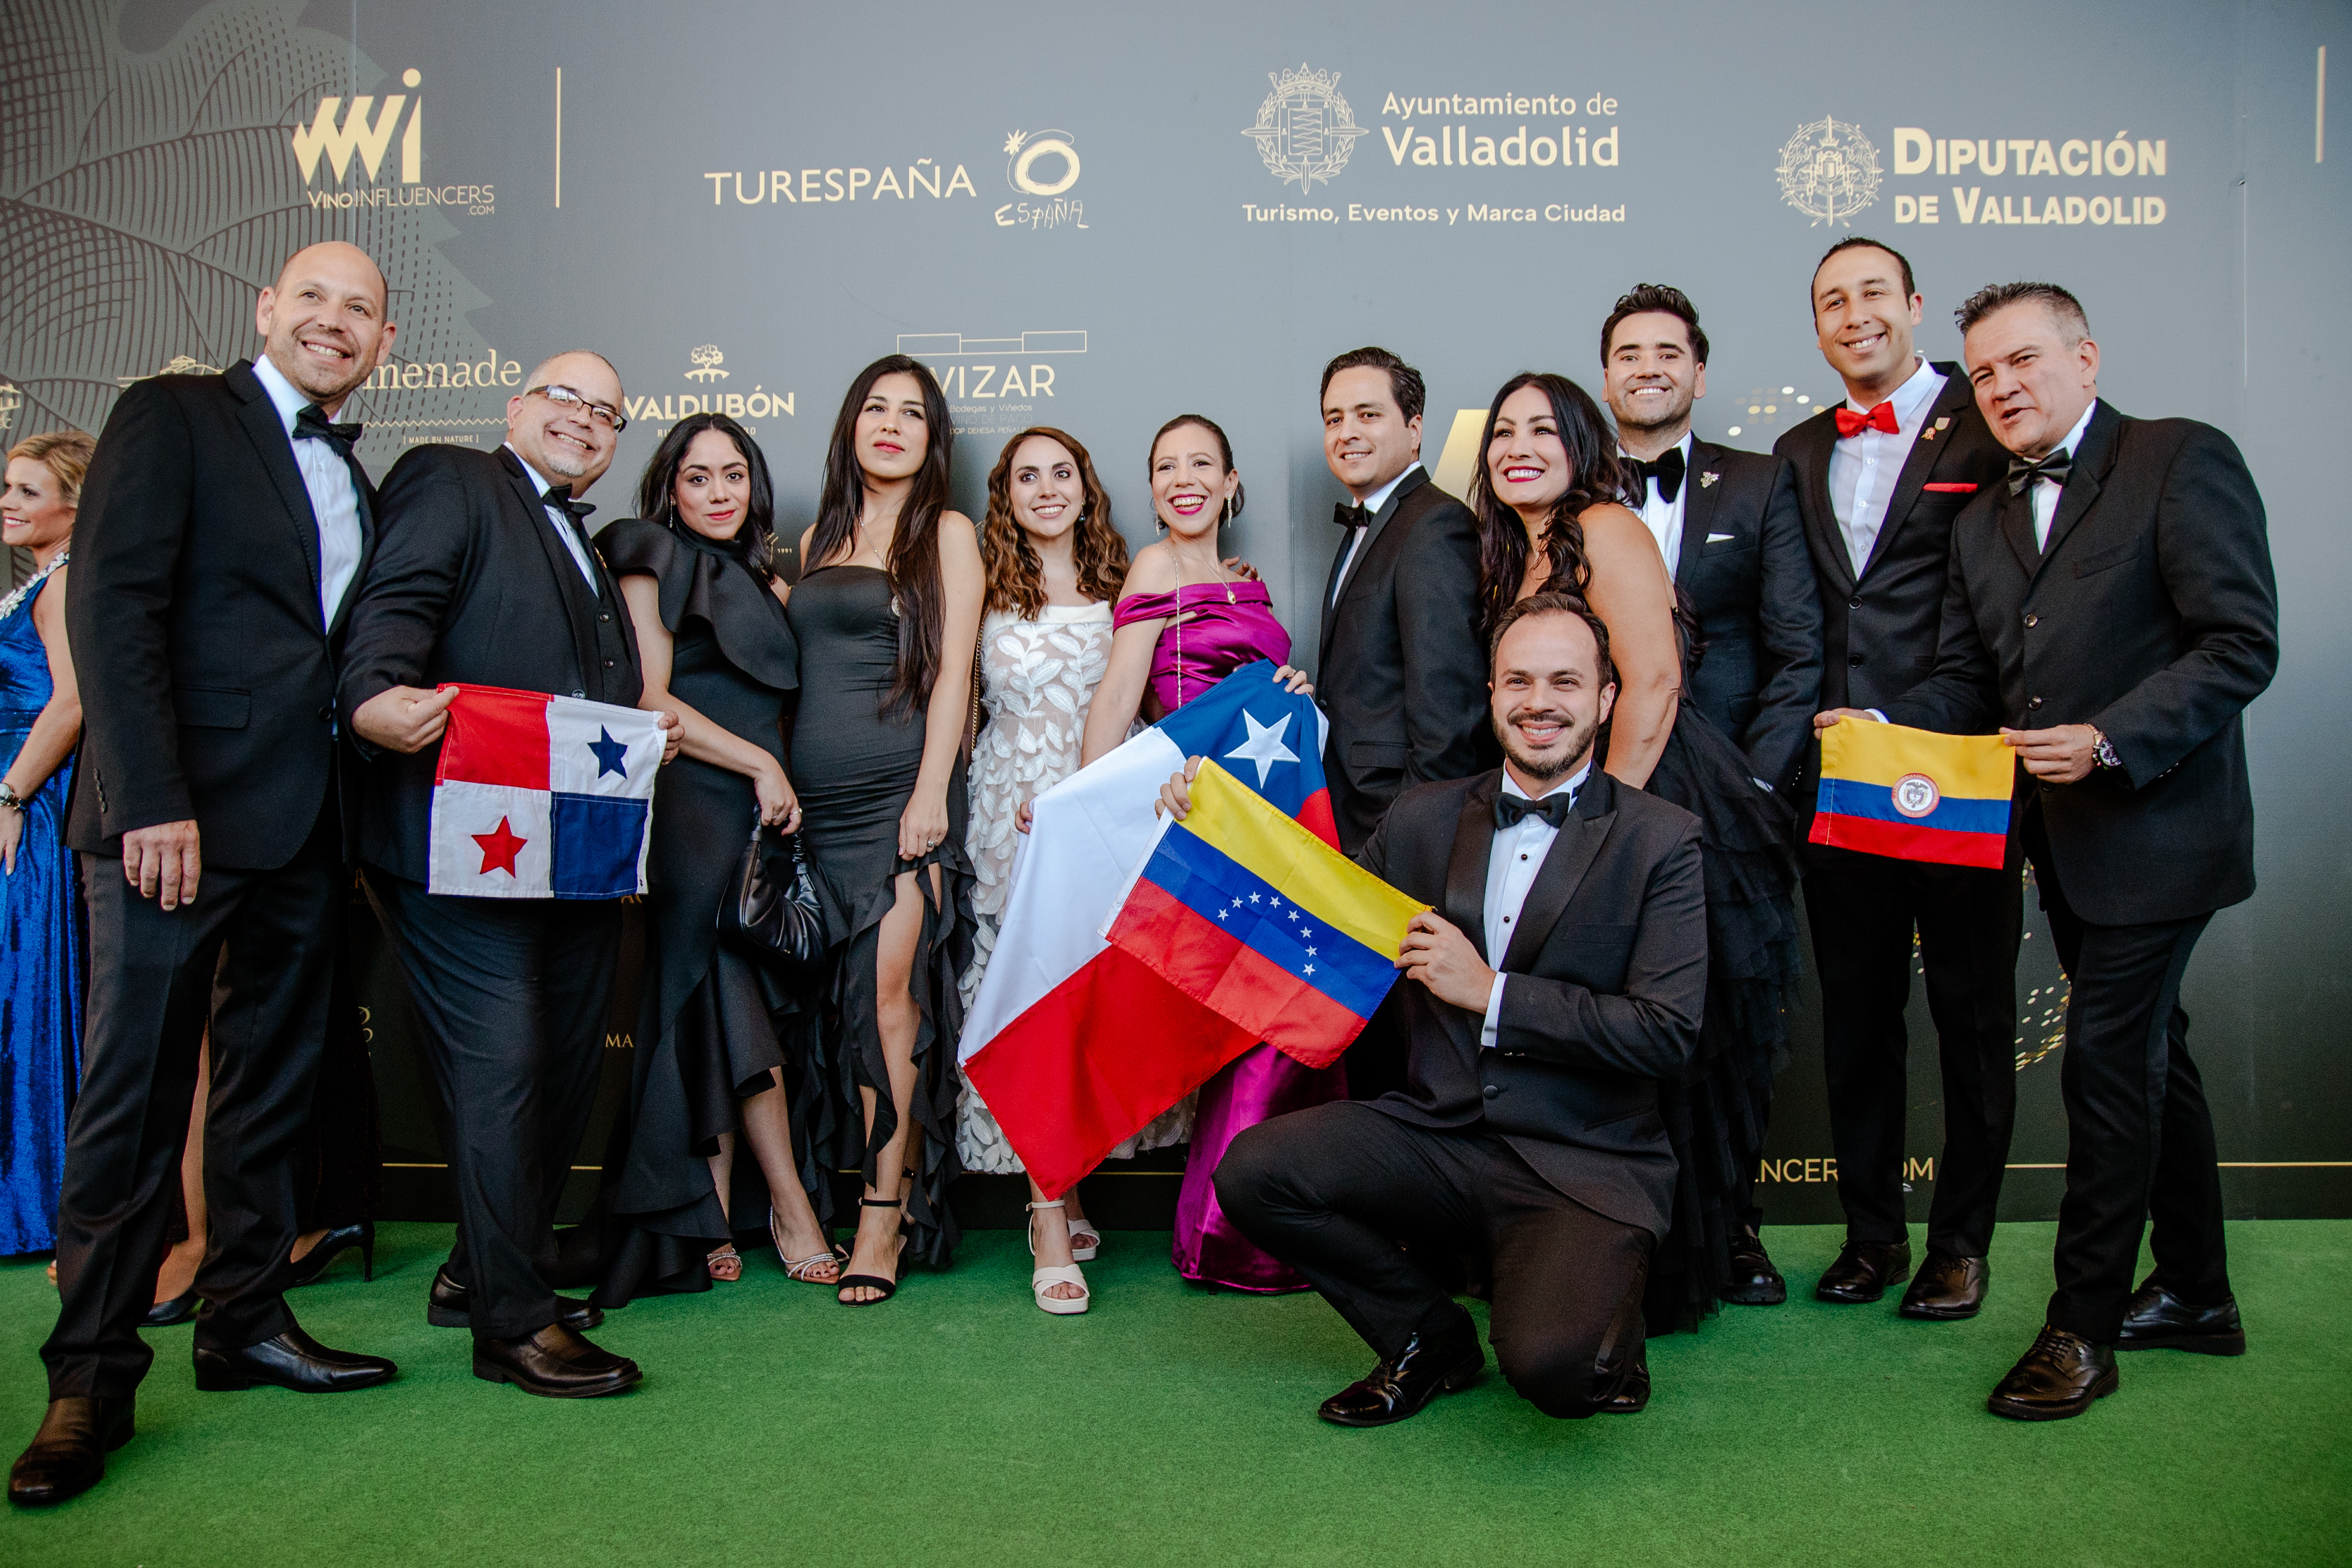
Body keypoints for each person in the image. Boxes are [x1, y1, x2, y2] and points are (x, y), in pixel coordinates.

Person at [14, 244, 402, 1510]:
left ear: (384, 344)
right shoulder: (174, 414)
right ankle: (90, 1378)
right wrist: (153, 800)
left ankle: (244, 1322)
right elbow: (117, 611)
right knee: (133, 1096)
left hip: (305, 829)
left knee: (267, 1090)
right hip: (173, 825)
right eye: (315, 301)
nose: (334, 323)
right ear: (265, 313)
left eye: (361, 310)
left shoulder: (361, 475)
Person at [1854, 281, 2277, 1419]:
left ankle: (2081, 1327)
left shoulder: (2180, 459)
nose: (2003, 387)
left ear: (2085, 358)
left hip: (2162, 832)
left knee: (2104, 1064)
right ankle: (2195, 1289)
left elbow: (2240, 641)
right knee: (2153, 1057)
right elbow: (1966, 675)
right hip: (2056, 844)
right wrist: (1888, 730)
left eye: (2025, 361)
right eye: (1984, 372)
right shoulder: (1982, 515)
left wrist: (2109, 737)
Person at [1198, 595, 1708, 1425]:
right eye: (1519, 680)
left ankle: (1607, 1307)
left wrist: (1492, 993)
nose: (1539, 701)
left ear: (1606, 699)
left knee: (1555, 1377)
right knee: (1254, 1173)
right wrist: (1216, 823)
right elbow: (1319, 917)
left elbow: (1665, 1032)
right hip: (1441, 1136)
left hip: (1579, 1161)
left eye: (1565, 682)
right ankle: (1425, 1339)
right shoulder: (1422, 817)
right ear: (1491, 692)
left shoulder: (1663, 840)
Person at [341, 350, 679, 1397]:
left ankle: (481, 1268)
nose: (585, 421)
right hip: (459, 830)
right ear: (516, 406)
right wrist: (371, 692)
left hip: (566, 844)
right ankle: (513, 1324)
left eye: (607, 413)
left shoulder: (578, 534)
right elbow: (393, 606)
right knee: (505, 1065)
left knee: (569, 1061)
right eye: (566, 399)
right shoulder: (454, 477)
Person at [1469, 372, 1800, 1340]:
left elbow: (1651, 685)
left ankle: (1696, 1247)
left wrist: (1602, 832)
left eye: (1542, 427)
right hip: (1573, 796)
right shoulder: (1514, 547)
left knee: (1685, 1042)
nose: (1517, 443)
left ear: (1581, 441)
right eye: (1502, 430)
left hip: (1654, 793)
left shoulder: (1605, 526)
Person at [1774, 239, 2021, 1319]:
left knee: (1970, 1016)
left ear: (1914, 306)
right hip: (1840, 780)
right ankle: (1871, 1233)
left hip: (1959, 764)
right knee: (1858, 1014)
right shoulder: (1792, 448)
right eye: (1833, 300)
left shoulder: (1996, 422)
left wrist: (1909, 719)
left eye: (1873, 292)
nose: (1854, 313)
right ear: (1817, 327)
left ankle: (1962, 1243)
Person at [1600, 285, 1823, 1304]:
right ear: (1605, 376)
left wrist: (1762, 788)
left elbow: (1796, 650)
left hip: (1732, 809)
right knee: (1612, 1021)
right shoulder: (1565, 486)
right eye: (1628, 353)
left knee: (1731, 1024)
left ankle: (1732, 1226)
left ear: (1697, 370)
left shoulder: (1763, 482)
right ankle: (1623, 1224)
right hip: (1602, 800)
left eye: (1666, 352)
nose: (1647, 367)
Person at [592, 412, 841, 1300]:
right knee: (723, 989)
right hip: (698, 804)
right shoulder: (644, 555)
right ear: (670, 486)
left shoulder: (771, 585)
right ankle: (789, 1205)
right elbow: (651, 699)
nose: (717, 492)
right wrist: (758, 764)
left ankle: (713, 1202)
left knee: (722, 1008)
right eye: (697, 477)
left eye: (732, 475)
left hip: (769, 812)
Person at [1078, 414, 1326, 1293]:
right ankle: (1226, 1238)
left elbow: (1251, 695)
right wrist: (1094, 810)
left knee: (1274, 1017)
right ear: (1152, 489)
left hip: (1272, 826)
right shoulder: (1153, 569)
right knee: (1248, 1021)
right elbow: (1118, 701)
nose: (1182, 479)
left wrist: (1289, 686)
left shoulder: (1243, 584)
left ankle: (1274, 1222)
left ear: (1230, 483)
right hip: (1203, 827)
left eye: (1200, 465)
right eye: (1164, 467)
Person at [955, 425, 1189, 1313]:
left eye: (1063, 473)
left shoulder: (1131, 580)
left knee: (1096, 996)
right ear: (1005, 495)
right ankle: (1047, 1213)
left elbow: (1171, 688)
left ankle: (1075, 1181)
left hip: (1107, 807)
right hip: (1011, 812)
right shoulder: (982, 582)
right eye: (1027, 477)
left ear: (1088, 489)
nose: (1046, 488)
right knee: (1029, 1000)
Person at [788, 356, 983, 1306]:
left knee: (889, 1003)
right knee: (840, 1013)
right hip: (814, 813)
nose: (893, 425)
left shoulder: (944, 532)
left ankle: (882, 1220)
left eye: (914, 413)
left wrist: (930, 793)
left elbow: (951, 676)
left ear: (933, 438)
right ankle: (846, 1196)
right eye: (877, 407)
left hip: (902, 802)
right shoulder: (816, 540)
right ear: (852, 424)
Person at [1313, 348, 1489, 1102]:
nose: (1347, 432)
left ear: (1415, 429)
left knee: (1414, 1052)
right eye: (1333, 418)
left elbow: (1448, 715)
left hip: (1399, 835)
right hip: (1357, 825)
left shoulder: (1435, 524)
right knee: (1380, 1049)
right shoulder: (1368, 528)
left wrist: (1405, 847)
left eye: (1368, 414)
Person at [0, 433, 91, 1262]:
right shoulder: (41, 580)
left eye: (28, 491)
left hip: (34, 803)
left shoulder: (66, 586)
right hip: (22, 794)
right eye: (7, 488)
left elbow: (69, 704)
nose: (8, 502)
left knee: (30, 988)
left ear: (73, 502)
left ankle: (37, 1195)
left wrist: (10, 795)